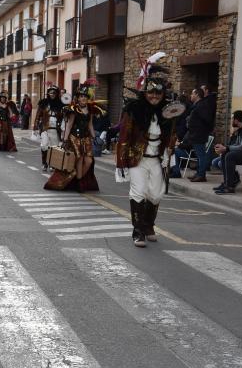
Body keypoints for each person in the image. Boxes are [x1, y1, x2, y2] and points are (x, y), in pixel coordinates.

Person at [116, 55, 177, 247]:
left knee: (156, 194)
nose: (154, 97)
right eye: (151, 93)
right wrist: (121, 164)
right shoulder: (134, 110)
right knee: (139, 192)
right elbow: (124, 137)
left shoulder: (166, 113)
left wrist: (169, 152)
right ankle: (138, 231)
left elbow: (169, 136)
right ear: (145, 92)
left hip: (156, 159)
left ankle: (149, 225)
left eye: (158, 95)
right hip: (137, 159)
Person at [44, 80, 103, 192]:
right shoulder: (74, 110)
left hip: (86, 138)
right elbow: (69, 125)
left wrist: (94, 137)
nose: (83, 99)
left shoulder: (90, 110)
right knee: (79, 158)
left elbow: (90, 124)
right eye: (81, 96)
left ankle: (77, 177)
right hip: (74, 137)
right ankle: (80, 182)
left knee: (89, 161)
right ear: (78, 98)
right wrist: (65, 140)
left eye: (85, 97)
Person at [184, 88, 215, 182]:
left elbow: (207, 120)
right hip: (196, 134)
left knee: (201, 155)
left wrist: (197, 127)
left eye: (192, 94)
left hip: (199, 134)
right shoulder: (198, 105)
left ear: (197, 95)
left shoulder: (202, 105)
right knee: (199, 155)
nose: (191, 96)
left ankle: (201, 175)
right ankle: (198, 173)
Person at [34, 86, 65, 171]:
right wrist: (35, 127)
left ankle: (52, 164)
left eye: (54, 93)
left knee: (54, 147)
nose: (52, 94)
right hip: (45, 128)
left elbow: (64, 117)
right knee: (44, 146)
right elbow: (38, 115)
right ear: (48, 93)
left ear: (57, 94)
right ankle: (44, 163)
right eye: (51, 92)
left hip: (55, 129)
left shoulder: (61, 104)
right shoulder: (43, 103)